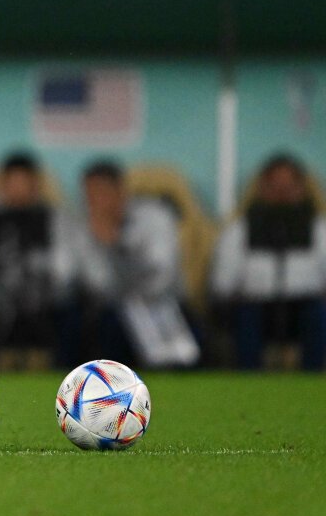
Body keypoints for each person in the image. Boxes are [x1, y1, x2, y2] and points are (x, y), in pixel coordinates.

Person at [0, 152, 76, 368]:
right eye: (13, 183)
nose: (18, 189)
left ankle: (70, 383)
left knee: (71, 321)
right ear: (1, 185)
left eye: (24, 183)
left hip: (41, 302)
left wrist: (35, 266)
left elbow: (66, 268)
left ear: (35, 185)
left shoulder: (55, 218)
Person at [70, 160, 198, 368]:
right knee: (93, 322)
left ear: (120, 190)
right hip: (115, 314)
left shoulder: (155, 217)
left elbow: (160, 278)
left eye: (101, 193)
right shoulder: (85, 228)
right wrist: (104, 245)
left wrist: (116, 245)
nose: (96, 203)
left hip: (167, 307)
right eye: (90, 196)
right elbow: (99, 286)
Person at [210, 154, 326, 370]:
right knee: (246, 314)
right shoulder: (239, 229)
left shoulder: (319, 229)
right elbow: (222, 284)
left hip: (306, 309)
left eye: (289, 187)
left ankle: (314, 377)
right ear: (261, 188)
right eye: (275, 187)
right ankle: (248, 378)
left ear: (302, 189)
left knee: (316, 312)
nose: (281, 194)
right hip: (255, 309)